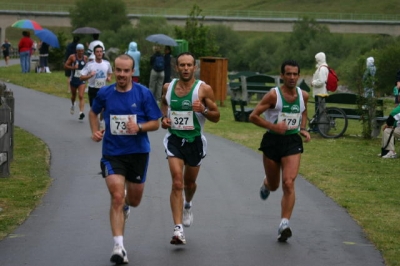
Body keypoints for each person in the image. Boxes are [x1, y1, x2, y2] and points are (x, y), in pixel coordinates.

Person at [89, 54, 162, 264]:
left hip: (138, 152)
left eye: (126, 71)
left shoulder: (143, 94)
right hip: (113, 153)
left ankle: (127, 207)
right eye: (118, 70)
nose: (122, 74)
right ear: (114, 70)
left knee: (134, 199)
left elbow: (155, 123)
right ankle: (119, 247)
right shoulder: (105, 93)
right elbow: (94, 113)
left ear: (132, 72)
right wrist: (95, 131)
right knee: (117, 196)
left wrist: (139, 127)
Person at [160, 52, 220, 245]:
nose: (185, 68)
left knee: (189, 184)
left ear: (195, 68)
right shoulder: (168, 88)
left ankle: (188, 204)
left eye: (189, 65)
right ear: (177, 67)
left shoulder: (203, 90)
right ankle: (178, 230)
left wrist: (202, 110)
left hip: (194, 141)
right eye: (182, 65)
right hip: (174, 140)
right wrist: (164, 119)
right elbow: (163, 104)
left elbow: (216, 116)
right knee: (177, 182)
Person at [249, 60, 311, 242]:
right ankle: (266, 184)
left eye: (295, 74)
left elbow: (304, 112)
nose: (292, 77)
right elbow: (253, 116)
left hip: (292, 141)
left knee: (289, 183)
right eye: (288, 74)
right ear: (282, 76)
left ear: (299, 76)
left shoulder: (304, 95)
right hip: (272, 142)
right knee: (275, 185)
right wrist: (273, 126)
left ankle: (284, 223)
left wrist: (303, 128)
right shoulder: (273, 96)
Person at [80, 45, 112, 124]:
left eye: (101, 52)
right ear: (94, 53)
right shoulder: (90, 64)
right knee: (94, 110)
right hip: (93, 89)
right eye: (97, 52)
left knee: (103, 108)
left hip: (103, 89)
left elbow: (110, 73)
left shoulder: (107, 64)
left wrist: (109, 78)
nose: (99, 53)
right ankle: (96, 128)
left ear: (103, 53)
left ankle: (101, 123)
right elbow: (81, 77)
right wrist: (90, 75)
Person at [64, 43, 88, 120]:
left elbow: (87, 67)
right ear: (76, 51)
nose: (81, 52)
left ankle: (81, 112)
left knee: (81, 96)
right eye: (79, 51)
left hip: (81, 80)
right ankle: (73, 104)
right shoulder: (72, 57)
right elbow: (65, 65)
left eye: (82, 51)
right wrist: (73, 67)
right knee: (73, 96)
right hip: (73, 79)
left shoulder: (85, 58)